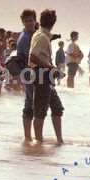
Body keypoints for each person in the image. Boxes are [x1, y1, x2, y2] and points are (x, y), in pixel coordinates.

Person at [29, 9, 64, 145]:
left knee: (57, 108)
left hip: (45, 74)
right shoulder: (41, 37)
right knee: (40, 110)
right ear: (53, 23)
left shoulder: (42, 35)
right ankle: (38, 141)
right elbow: (33, 56)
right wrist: (50, 67)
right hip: (41, 74)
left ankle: (59, 140)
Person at [17, 9, 36, 142]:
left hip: (31, 73)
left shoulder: (31, 35)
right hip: (29, 73)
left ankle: (29, 136)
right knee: (30, 104)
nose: (29, 23)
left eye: (31, 20)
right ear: (23, 22)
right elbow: (30, 58)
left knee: (31, 103)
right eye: (27, 21)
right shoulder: (25, 38)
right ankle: (28, 137)